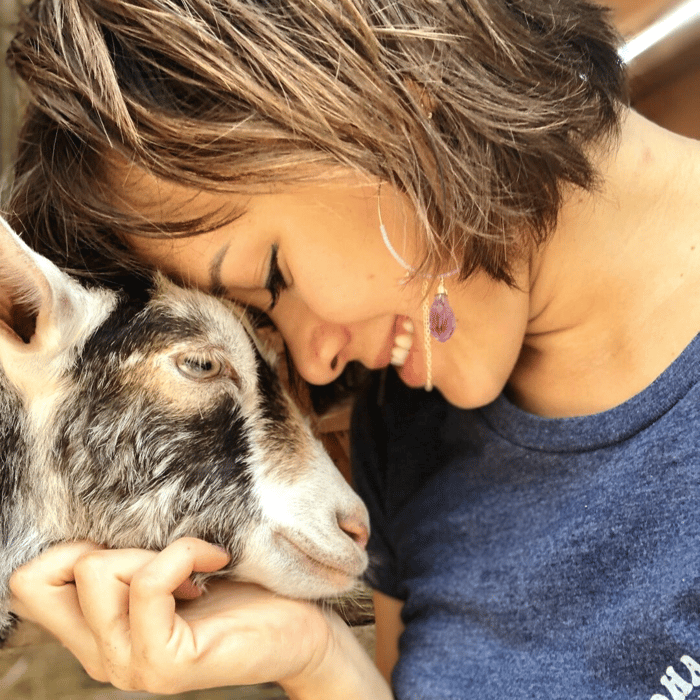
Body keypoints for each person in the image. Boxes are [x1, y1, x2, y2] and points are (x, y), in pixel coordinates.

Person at [3, 0, 700, 697]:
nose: (315, 363)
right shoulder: (404, 433)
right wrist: (315, 658)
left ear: (392, 97)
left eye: (274, 277)